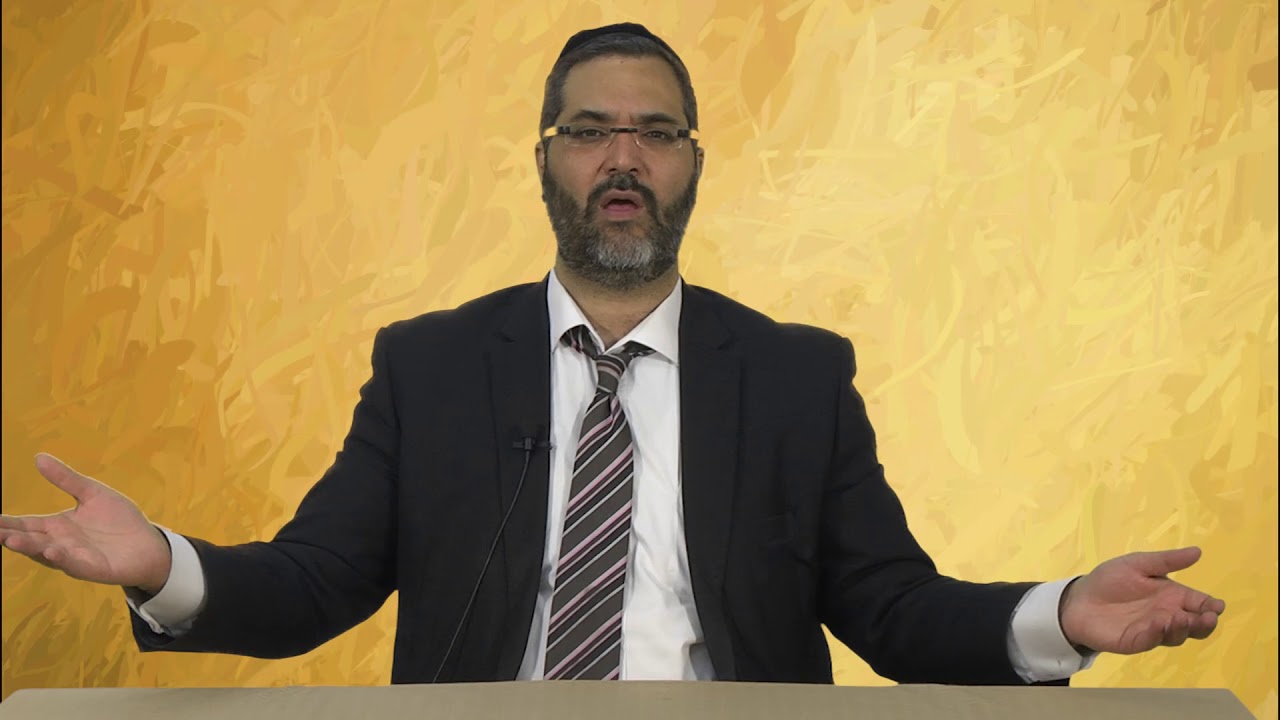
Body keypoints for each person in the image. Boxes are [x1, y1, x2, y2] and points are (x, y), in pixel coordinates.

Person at [0, 23, 1224, 686]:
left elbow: (894, 615)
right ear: (546, 160)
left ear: (693, 165)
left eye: (655, 133)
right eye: (589, 132)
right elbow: (313, 586)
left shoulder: (794, 378)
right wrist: (162, 564)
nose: (622, 159)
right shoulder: (431, 369)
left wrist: (1059, 614)